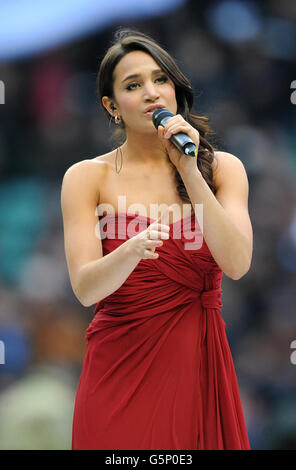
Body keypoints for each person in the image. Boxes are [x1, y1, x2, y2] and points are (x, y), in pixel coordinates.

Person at [60, 27, 253, 450]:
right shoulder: (86, 177)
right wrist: (129, 250)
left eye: (160, 79)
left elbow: (237, 263)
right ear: (112, 106)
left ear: (175, 89)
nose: (152, 93)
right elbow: (85, 289)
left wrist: (188, 170)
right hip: (118, 372)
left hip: (198, 367)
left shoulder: (223, 170)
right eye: (133, 85)